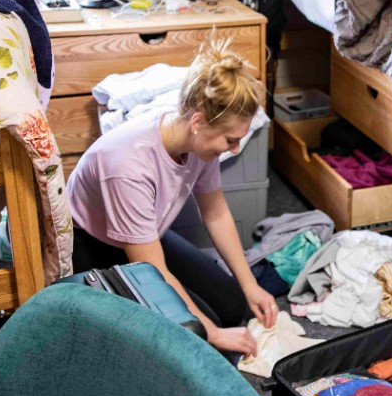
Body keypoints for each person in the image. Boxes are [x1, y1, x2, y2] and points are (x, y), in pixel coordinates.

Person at [67, 39, 277, 357]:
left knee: (233, 304)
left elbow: (216, 211)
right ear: (198, 122)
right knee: (196, 333)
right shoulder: (127, 164)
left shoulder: (196, 144)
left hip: (146, 235)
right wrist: (212, 332)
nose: (234, 149)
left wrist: (249, 284)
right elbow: (151, 266)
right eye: (231, 140)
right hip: (91, 243)